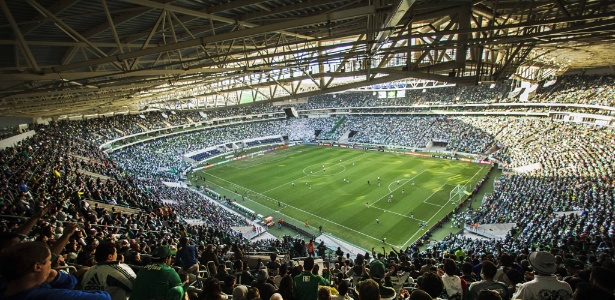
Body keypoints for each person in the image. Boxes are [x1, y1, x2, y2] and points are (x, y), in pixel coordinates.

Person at [0, 241, 111, 300]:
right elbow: (104, 297)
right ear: (37, 266)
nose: (51, 264)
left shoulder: (6, 287)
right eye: (49, 260)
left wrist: (57, 277)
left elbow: (72, 283)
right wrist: (59, 277)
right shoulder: (50, 296)